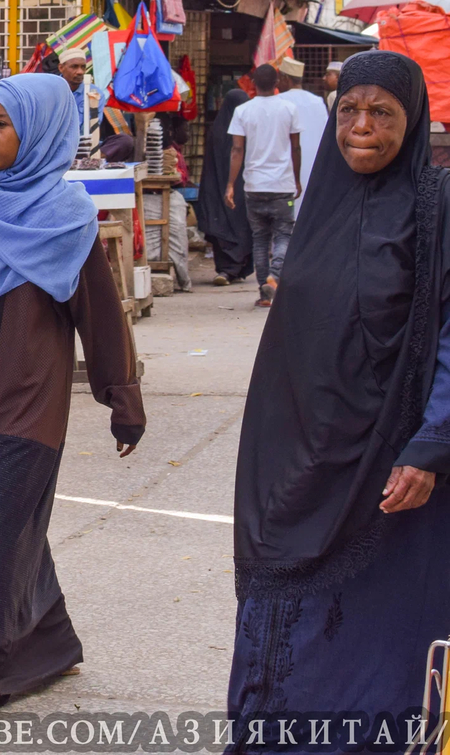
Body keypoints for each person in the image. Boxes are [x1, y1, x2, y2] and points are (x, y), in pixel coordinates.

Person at [227, 51, 450, 752]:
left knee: (375, 637)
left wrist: (431, 442)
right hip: (298, 459)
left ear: (411, 123)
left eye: (382, 113)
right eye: (349, 110)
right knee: (279, 599)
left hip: (390, 465)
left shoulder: (437, 209)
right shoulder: (318, 203)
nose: (362, 127)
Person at [0, 73, 145, 724]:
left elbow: (101, 318)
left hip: (30, 398)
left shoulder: (65, 217)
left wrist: (121, 400)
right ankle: (50, 639)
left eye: (0, 125)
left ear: (38, 131)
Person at [225, 64, 301, 307]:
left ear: (253, 83)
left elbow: (237, 149)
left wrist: (230, 184)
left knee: (259, 238)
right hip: (282, 186)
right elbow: (295, 147)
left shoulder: (243, 111)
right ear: (277, 81)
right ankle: (275, 276)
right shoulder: (289, 109)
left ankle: (263, 292)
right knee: (283, 234)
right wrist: (297, 179)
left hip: (254, 186)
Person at [197, 89, 253, 286]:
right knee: (242, 224)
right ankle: (234, 268)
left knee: (221, 222)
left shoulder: (217, 129)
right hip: (239, 186)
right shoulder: (243, 130)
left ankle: (226, 269)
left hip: (217, 188)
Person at [278, 57, 328, 217]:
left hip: (288, 164)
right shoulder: (317, 101)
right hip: (315, 164)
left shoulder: (279, 101)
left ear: (286, 79)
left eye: (279, 78)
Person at [58, 48, 106, 131]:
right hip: (54, 141)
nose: (80, 72)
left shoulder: (95, 93)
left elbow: (93, 127)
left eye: (83, 67)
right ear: (61, 68)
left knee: (124, 140)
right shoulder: (50, 90)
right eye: (74, 67)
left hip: (83, 141)